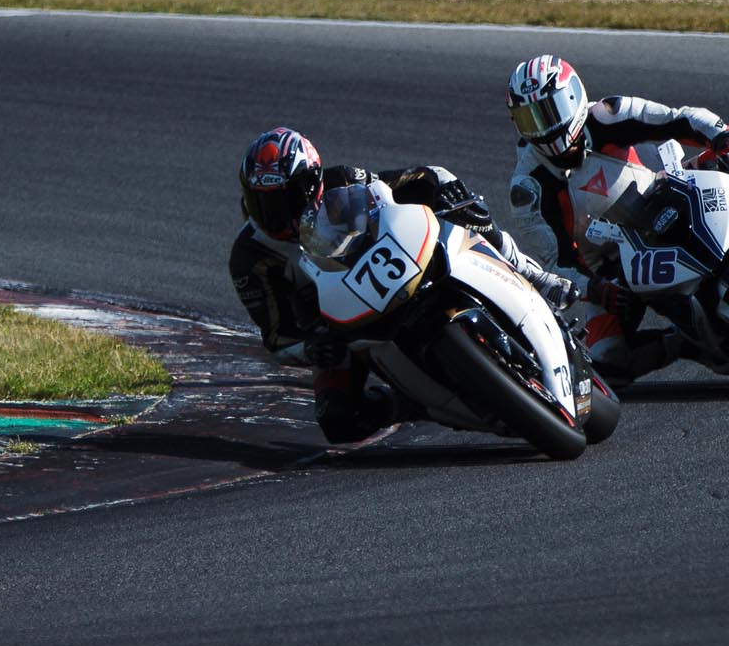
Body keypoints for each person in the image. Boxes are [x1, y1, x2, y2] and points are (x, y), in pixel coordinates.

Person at [502, 53, 729, 385]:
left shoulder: (609, 115)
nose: (541, 128)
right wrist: (595, 288)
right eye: (527, 118)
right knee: (607, 361)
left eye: (547, 114)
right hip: (616, 262)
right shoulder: (528, 187)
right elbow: (554, 263)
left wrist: (722, 137)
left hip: (670, 188)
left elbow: (682, 119)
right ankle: (688, 345)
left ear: (572, 100)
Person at [230, 125, 574, 442]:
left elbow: (411, 182)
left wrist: (447, 190)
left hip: (400, 273)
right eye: (263, 202)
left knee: (474, 219)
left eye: (286, 198)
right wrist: (311, 347)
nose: (276, 212)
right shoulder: (251, 258)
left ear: (312, 181)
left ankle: (533, 277)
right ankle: (413, 403)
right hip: (342, 331)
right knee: (339, 421)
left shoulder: (343, 182)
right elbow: (276, 335)